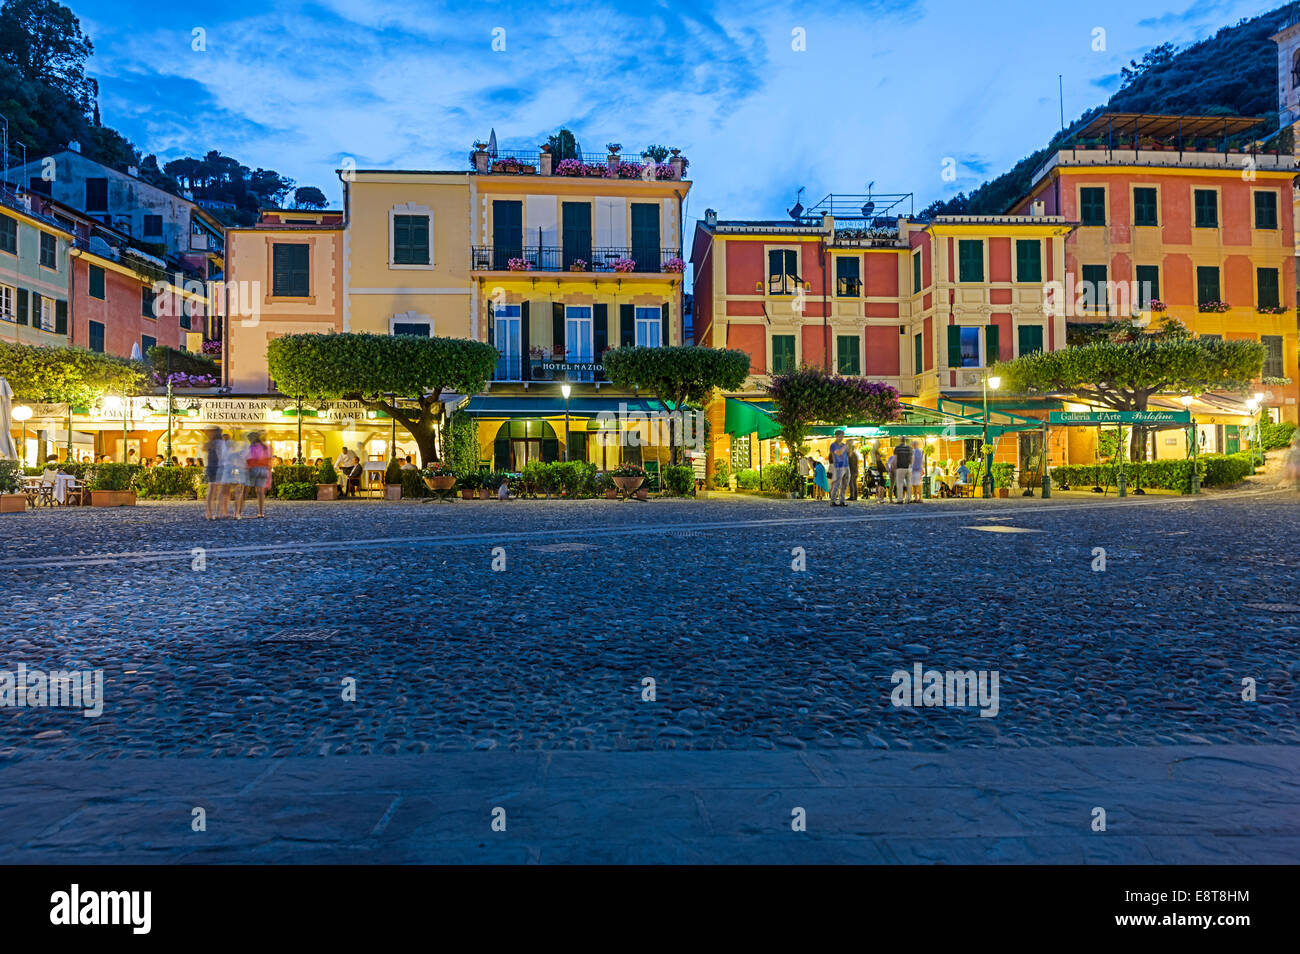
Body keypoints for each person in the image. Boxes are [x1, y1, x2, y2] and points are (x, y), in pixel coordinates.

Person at [244, 431, 271, 518]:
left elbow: (250, 458)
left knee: (245, 490)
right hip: (264, 470)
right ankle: (261, 512)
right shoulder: (265, 447)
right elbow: (269, 461)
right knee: (260, 492)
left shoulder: (252, 446)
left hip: (254, 469)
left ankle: (238, 511)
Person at [202, 428, 224, 520]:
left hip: (210, 467)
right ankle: (219, 512)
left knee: (211, 490)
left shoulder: (209, 443)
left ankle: (209, 513)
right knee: (219, 491)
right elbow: (222, 456)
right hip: (219, 467)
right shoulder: (220, 443)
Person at [828, 429, 852, 507]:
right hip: (838, 466)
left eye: (842, 436)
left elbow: (850, 455)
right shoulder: (833, 445)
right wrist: (846, 445)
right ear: (836, 436)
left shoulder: (843, 445)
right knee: (837, 484)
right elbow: (838, 453)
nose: (842, 438)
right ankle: (832, 501)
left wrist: (850, 446)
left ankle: (842, 500)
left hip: (846, 466)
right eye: (840, 436)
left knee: (845, 484)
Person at [892, 438, 913, 503]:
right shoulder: (909, 448)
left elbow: (895, 458)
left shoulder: (897, 448)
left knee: (900, 484)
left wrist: (895, 468)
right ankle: (908, 499)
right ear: (905, 441)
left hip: (900, 468)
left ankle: (900, 499)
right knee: (909, 483)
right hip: (908, 468)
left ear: (900, 440)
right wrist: (910, 465)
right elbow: (911, 458)